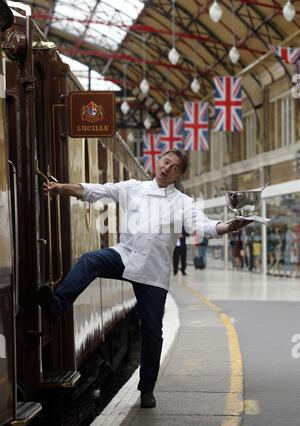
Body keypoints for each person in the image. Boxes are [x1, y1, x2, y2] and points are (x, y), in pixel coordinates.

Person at [38, 149, 252, 409]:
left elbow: (203, 226)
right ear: (158, 160)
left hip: (153, 271)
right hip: (125, 255)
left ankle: (147, 389)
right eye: (165, 161)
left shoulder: (183, 202)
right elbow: (96, 190)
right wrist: (61, 188)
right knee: (89, 261)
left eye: (173, 167)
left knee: (152, 333)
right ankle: (58, 304)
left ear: (178, 175)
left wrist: (228, 226)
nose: (165, 168)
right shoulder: (134, 188)